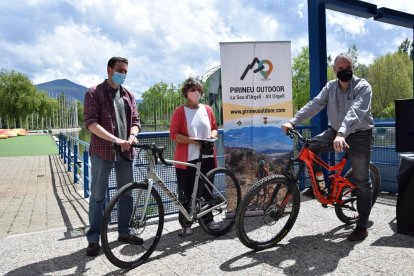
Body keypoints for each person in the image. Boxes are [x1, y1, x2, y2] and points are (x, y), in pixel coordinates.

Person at [281, 53, 374, 242]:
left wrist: (342, 133)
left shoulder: (363, 86)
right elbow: (315, 104)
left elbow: (356, 110)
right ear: (334, 71)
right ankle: (320, 188)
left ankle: (362, 225)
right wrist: (293, 121)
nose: (344, 71)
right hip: (335, 131)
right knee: (310, 148)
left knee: (362, 181)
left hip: (360, 134)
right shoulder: (331, 87)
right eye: (340, 69)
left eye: (348, 68)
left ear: (353, 68)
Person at [83, 57, 142, 256]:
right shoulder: (94, 93)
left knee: (126, 195)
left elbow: (135, 120)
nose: (123, 74)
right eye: (120, 70)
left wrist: (132, 135)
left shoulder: (128, 95)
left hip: (126, 152)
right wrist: (116, 140)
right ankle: (93, 239)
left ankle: (124, 232)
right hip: (102, 152)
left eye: (126, 71)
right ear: (109, 70)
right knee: (98, 197)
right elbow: (91, 123)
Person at [170, 77, 219, 236]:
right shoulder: (179, 111)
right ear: (186, 92)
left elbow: (214, 127)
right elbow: (174, 135)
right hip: (187, 159)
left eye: (198, 90)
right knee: (186, 192)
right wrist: (195, 141)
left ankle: (208, 219)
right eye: (192, 90)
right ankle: (186, 223)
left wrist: (211, 136)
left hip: (207, 156)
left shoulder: (207, 109)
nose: (196, 93)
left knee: (206, 189)